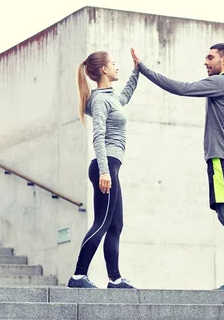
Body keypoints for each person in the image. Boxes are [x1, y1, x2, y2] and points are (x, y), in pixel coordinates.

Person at [130, 44, 224, 291]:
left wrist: (143, 69)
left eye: (210, 57)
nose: (205, 62)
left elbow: (181, 89)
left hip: (222, 159)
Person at [67, 51, 139, 289]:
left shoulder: (110, 97)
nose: (117, 68)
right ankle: (78, 276)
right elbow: (98, 136)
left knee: (115, 224)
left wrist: (138, 70)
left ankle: (114, 278)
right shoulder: (99, 100)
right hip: (104, 166)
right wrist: (105, 172)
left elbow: (125, 96)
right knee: (101, 222)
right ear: (104, 70)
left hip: (110, 166)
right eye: (114, 64)